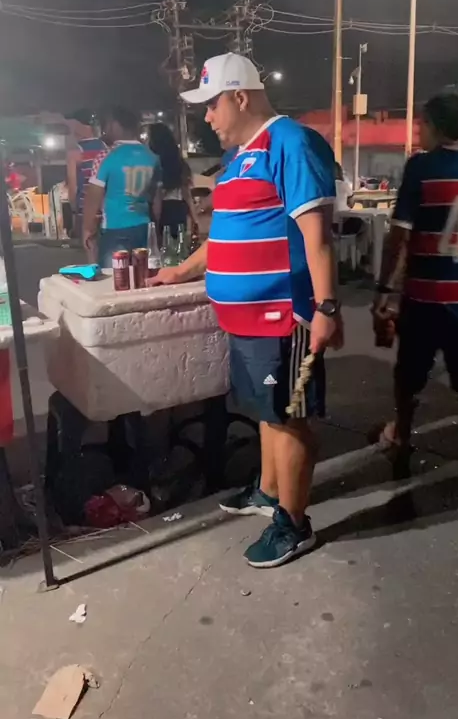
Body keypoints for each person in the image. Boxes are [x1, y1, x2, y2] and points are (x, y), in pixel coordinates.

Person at [148, 52, 343, 568]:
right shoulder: (239, 158)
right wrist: (181, 271)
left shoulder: (290, 142)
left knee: (288, 418)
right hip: (245, 321)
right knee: (265, 411)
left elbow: (317, 236)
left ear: (240, 97)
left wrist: (326, 307)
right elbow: (225, 235)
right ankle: (268, 491)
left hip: (282, 315)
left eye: (212, 104)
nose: (207, 116)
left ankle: (293, 524)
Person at [373, 90, 458, 466]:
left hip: (424, 299)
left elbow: (399, 237)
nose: (419, 130)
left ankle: (401, 435)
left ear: (434, 125)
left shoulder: (421, 166)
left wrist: (384, 291)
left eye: (422, 123)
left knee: (409, 375)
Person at [82, 107, 162, 267]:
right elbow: (157, 202)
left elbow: (93, 198)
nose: (105, 130)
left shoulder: (106, 156)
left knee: (114, 278)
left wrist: (87, 230)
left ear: (115, 124)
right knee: (142, 277)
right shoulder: (152, 157)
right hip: (143, 228)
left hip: (115, 230)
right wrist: (155, 230)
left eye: (106, 124)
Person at [148, 122, 198, 237]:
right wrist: (195, 219)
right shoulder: (178, 162)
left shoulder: (153, 162)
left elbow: (156, 194)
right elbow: (186, 193)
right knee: (178, 243)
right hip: (177, 209)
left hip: (158, 210)